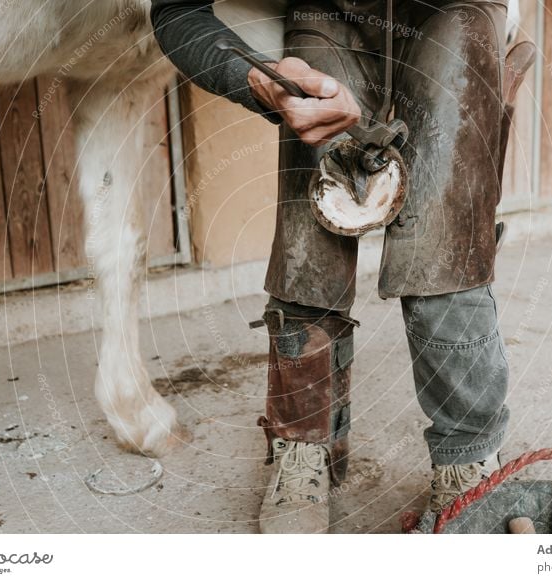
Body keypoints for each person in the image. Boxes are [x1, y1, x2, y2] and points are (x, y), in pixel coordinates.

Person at [151, 0, 512, 533]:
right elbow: (175, 9)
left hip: (453, 9)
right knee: (310, 237)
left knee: (443, 246)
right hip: (324, 14)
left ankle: (466, 452)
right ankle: (302, 444)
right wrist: (261, 82)